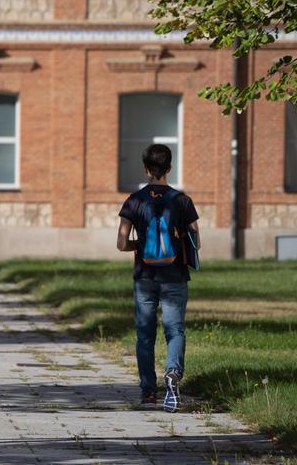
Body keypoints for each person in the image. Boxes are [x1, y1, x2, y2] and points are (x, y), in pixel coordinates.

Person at [117, 144, 200, 413]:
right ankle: (173, 373)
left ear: (145, 168)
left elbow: (120, 242)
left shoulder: (135, 200)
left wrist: (139, 247)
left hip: (145, 277)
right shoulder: (182, 201)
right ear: (169, 167)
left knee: (145, 335)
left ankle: (148, 393)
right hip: (175, 276)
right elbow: (196, 240)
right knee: (174, 329)